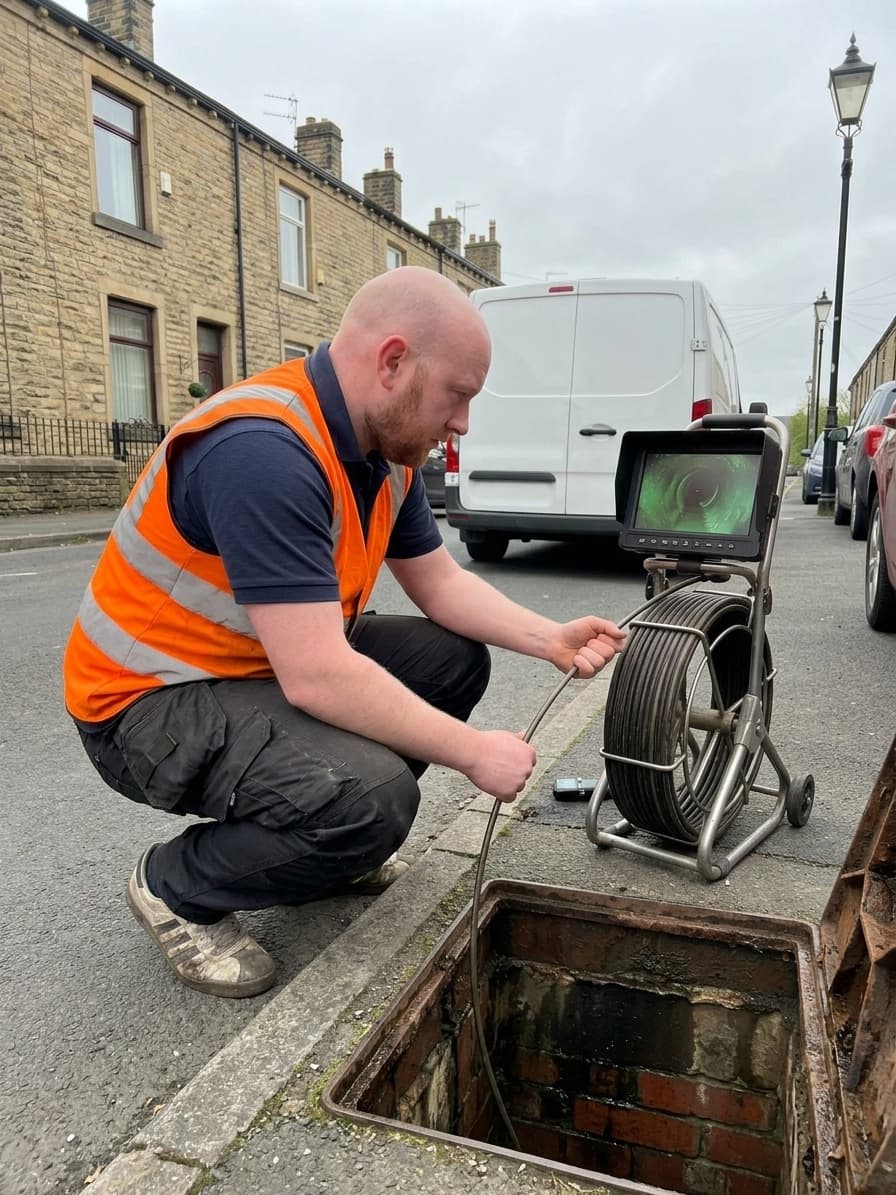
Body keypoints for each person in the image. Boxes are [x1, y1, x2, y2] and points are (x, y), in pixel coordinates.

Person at [63, 267, 626, 999]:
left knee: (450, 661)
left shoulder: (384, 455)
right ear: (392, 361)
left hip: (251, 665)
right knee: (375, 800)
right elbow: (319, 674)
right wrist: (474, 753)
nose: (462, 423)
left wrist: (549, 636)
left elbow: (442, 584)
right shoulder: (262, 450)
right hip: (143, 702)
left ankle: (327, 849)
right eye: (457, 395)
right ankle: (176, 885)